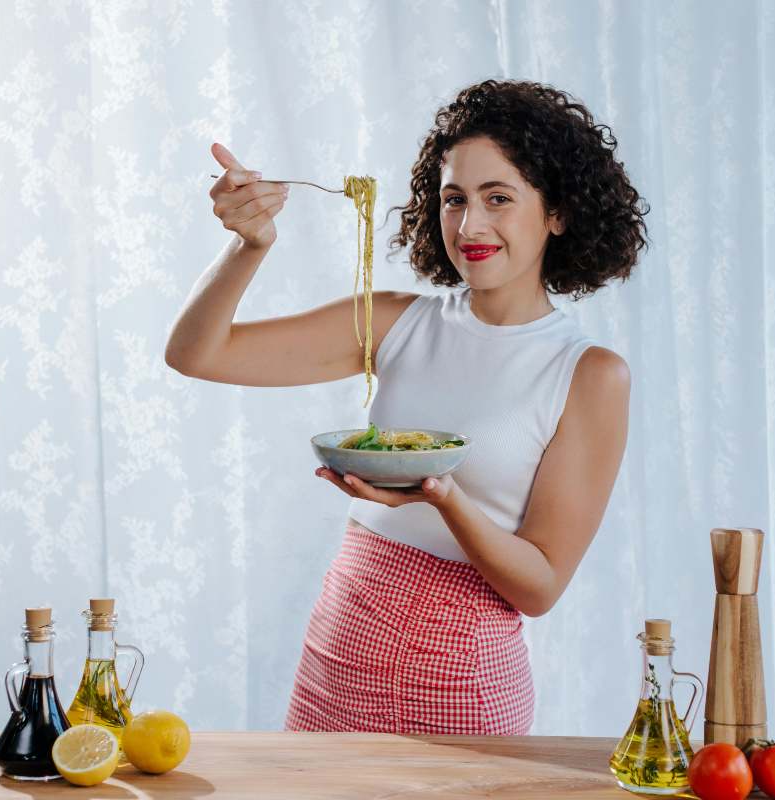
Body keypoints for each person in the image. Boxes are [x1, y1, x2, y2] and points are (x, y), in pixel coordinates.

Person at [165, 79, 648, 735]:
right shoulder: (395, 322)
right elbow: (197, 354)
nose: (470, 225)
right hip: (335, 658)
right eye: (455, 199)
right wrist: (251, 245)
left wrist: (443, 498)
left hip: (459, 681)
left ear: (557, 211)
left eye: (498, 198)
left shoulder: (588, 374)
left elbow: (540, 587)